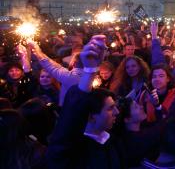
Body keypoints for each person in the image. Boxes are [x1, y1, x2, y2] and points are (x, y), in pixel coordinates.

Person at [47, 35, 126, 168]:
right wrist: (89, 71)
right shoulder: (73, 150)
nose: (117, 112)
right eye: (110, 108)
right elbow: (72, 116)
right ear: (91, 116)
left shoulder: (111, 139)